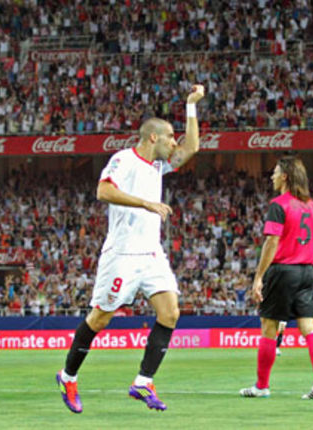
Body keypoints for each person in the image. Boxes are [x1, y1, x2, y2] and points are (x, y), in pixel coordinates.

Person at [56, 85, 205, 413]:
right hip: (121, 256)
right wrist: (145, 203)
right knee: (99, 319)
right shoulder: (123, 160)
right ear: (153, 138)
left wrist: (191, 105)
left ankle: (143, 382)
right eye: (169, 137)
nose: (173, 143)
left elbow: (192, 146)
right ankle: (67, 376)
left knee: (170, 312)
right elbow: (103, 191)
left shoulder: (158, 167)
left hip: (151, 254)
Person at [239, 156, 313, 400]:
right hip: (307, 271)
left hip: (283, 270)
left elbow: (272, 241)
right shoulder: (311, 205)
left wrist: (259, 277)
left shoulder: (279, 204)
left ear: (285, 176)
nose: (272, 176)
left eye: (275, 172)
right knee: (308, 327)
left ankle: (261, 386)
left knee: (269, 327)